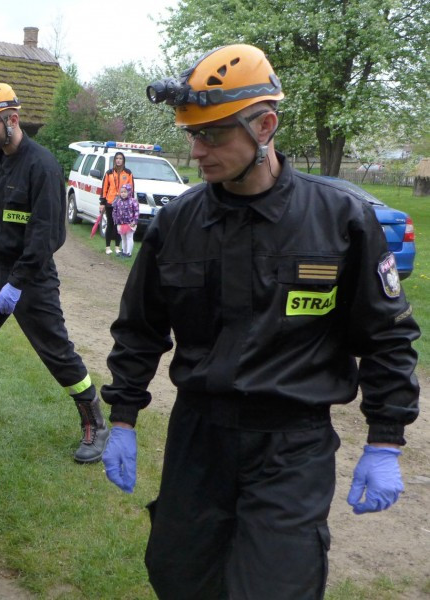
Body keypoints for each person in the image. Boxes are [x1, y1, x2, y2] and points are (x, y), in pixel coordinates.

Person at [99, 44, 420, 599]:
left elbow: (386, 334)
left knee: (274, 588)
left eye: (212, 135)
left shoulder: (339, 219)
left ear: (265, 126)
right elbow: (139, 328)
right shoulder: (178, 223)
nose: (197, 151)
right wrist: (123, 418)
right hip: (199, 438)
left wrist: (385, 440)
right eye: (192, 134)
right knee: (180, 576)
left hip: (291, 444)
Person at [0, 82, 108, 464]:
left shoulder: (42, 166)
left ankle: (95, 423)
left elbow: (47, 233)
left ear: (13, 120)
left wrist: (17, 283)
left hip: (31, 276)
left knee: (56, 352)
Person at [99, 152, 134, 255]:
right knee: (110, 224)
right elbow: (104, 188)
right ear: (114, 160)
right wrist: (102, 202)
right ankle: (107, 247)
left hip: (123, 203)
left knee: (119, 225)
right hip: (110, 202)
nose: (118, 160)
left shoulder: (128, 173)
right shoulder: (109, 173)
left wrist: (130, 202)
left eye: (120, 158)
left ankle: (117, 247)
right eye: (117, 158)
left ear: (123, 160)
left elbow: (131, 188)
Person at [110, 182, 138, 257]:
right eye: (121, 192)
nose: (123, 194)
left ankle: (129, 253)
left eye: (125, 192)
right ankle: (124, 251)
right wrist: (115, 219)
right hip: (121, 223)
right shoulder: (118, 201)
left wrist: (134, 221)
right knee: (123, 238)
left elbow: (136, 212)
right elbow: (114, 211)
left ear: (129, 192)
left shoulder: (133, 201)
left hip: (130, 223)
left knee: (129, 237)